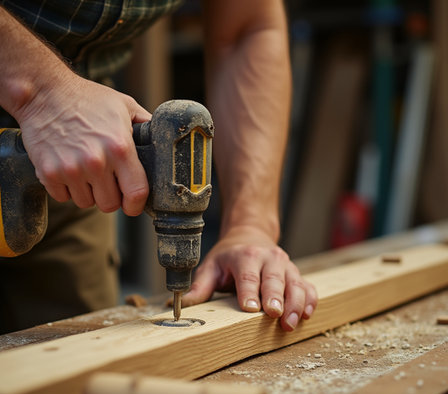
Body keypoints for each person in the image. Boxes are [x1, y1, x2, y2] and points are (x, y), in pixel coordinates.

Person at [0, 0, 317, 333]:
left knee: (80, 356)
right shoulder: (50, 100)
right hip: (59, 110)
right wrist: (42, 92)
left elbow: (246, 29)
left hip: (78, 157)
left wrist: (250, 226)